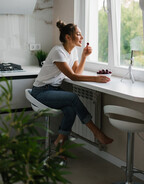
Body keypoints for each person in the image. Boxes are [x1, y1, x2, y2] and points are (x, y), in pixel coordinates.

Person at [31, 20, 113, 148]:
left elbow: (76, 72)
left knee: (70, 110)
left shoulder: (73, 51)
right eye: (79, 34)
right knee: (73, 97)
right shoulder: (58, 51)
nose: (82, 37)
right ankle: (96, 132)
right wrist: (96, 79)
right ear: (68, 37)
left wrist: (84, 57)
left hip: (53, 90)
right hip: (41, 92)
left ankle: (60, 144)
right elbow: (73, 77)